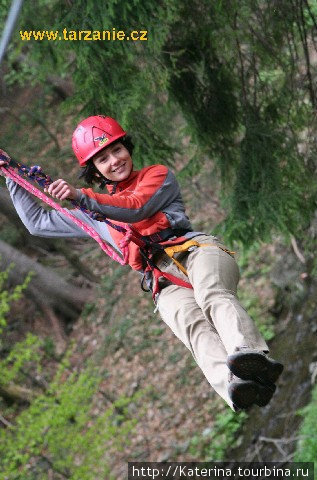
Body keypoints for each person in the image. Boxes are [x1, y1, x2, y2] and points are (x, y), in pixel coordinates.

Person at [0, 115, 283, 411]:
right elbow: (38, 223)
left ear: (128, 148)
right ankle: (237, 387)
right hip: (163, 279)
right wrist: (12, 176)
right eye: (103, 159)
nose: (115, 161)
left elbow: (135, 208)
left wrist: (81, 197)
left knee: (211, 294)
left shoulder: (157, 176)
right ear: (95, 171)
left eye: (117, 150)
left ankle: (251, 355)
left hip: (196, 252)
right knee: (189, 323)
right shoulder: (94, 214)